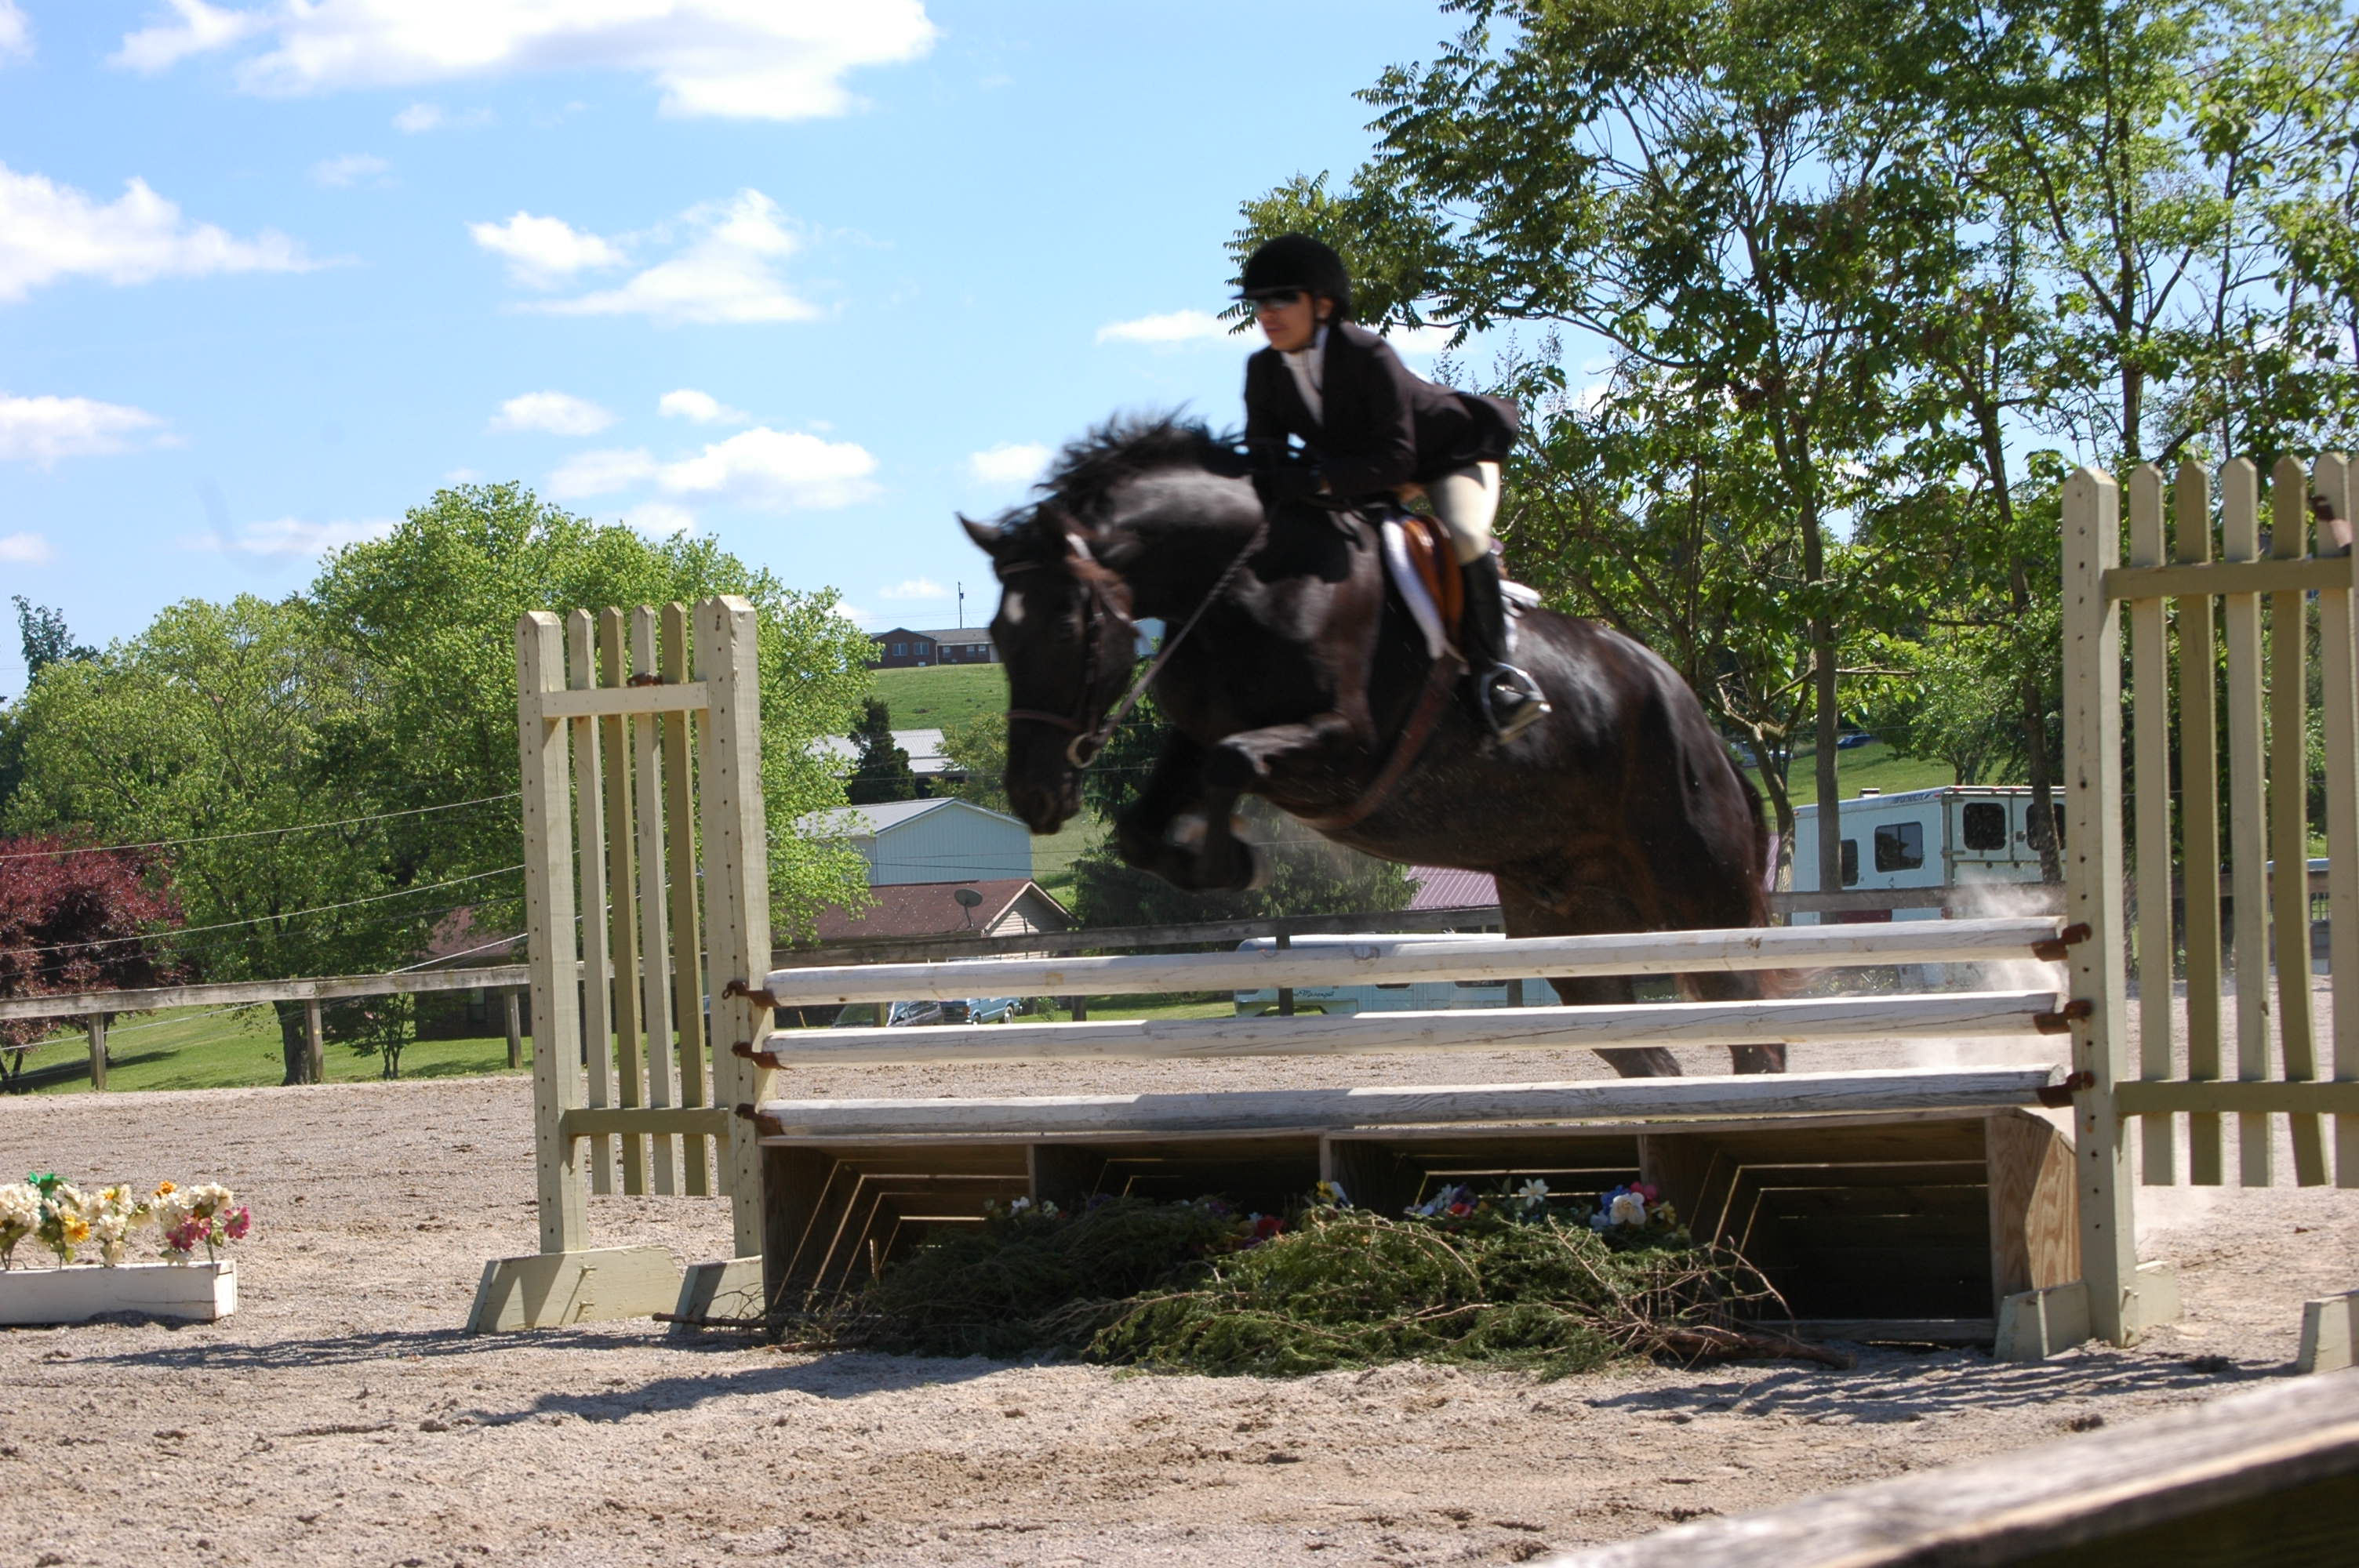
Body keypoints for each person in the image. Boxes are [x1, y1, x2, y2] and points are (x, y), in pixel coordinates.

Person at [1236, 234, 1550, 741]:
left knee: (1466, 534)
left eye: (1282, 299)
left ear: (1323, 304)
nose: (1266, 313)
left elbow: (1398, 457)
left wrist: (1314, 478)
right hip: (1367, 473)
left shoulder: (1366, 353)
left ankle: (1501, 677)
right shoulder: (1263, 370)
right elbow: (1264, 456)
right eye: (1259, 303)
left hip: (1450, 455)